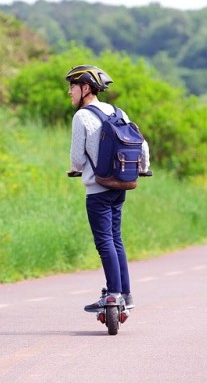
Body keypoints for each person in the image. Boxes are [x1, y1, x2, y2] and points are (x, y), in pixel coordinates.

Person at [65, 65, 150, 312]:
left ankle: (113, 294)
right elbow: (141, 144)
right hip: (120, 184)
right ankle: (126, 293)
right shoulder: (117, 111)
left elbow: (77, 159)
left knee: (104, 242)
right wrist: (143, 168)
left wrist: (75, 168)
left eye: (72, 86)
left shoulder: (81, 116)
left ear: (86, 88)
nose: (69, 92)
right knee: (116, 239)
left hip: (98, 189)